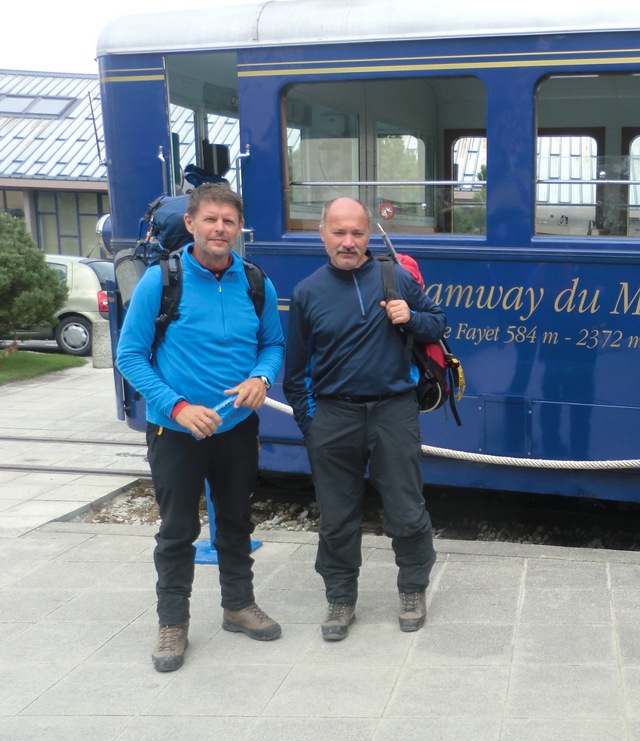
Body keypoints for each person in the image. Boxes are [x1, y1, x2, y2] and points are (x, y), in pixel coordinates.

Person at [116, 182, 286, 673]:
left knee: (235, 521)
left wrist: (261, 377)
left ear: (239, 228)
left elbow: (272, 344)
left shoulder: (255, 282)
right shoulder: (161, 281)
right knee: (178, 530)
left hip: (237, 427)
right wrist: (178, 407)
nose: (219, 229)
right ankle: (173, 623)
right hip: (176, 431)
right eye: (210, 219)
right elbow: (130, 355)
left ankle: (238, 605)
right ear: (191, 224)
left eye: (228, 221)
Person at [283, 197, 446, 640]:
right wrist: (311, 425)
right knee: (337, 517)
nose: (348, 241)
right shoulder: (307, 293)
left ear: (368, 235)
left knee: (406, 510)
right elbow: (294, 372)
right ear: (323, 235)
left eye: (357, 233)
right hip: (334, 415)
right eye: (339, 232)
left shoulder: (396, 277)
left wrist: (412, 317)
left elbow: (438, 323)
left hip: (394, 410)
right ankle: (340, 598)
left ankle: (412, 589)